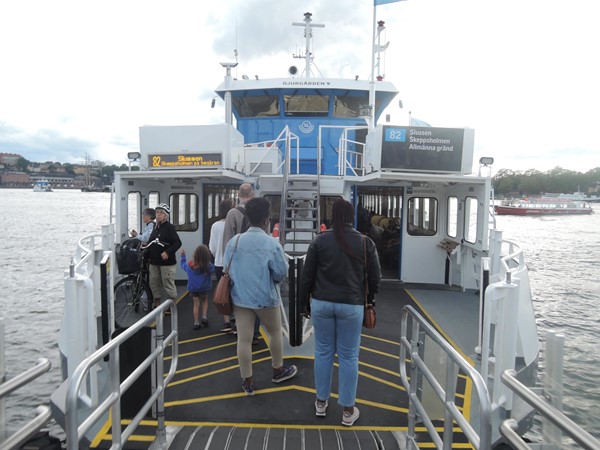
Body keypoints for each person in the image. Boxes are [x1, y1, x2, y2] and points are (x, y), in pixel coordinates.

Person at [299, 198, 381, 427]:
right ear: (351, 216)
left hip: (322, 303)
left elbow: (307, 277)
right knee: (348, 355)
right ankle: (347, 410)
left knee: (323, 352)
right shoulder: (365, 242)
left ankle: (320, 403)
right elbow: (375, 277)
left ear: (333, 217)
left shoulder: (319, 241)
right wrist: (370, 300)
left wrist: (304, 304)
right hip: (351, 305)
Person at [223, 197, 297, 396]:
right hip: (266, 298)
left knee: (244, 340)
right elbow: (281, 272)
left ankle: (247, 382)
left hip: (239, 298)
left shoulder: (234, 241)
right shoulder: (271, 244)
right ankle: (278, 370)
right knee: (274, 333)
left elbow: (226, 267)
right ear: (266, 220)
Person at [221, 183, 261, 344]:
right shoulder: (259, 211)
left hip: (238, 263)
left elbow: (227, 242)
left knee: (238, 297)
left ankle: (240, 329)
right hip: (256, 262)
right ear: (253, 195)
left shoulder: (232, 213)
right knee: (256, 296)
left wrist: (227, 268)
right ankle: (255, 333)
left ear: (238, 195)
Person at [146, 203, 182, 309]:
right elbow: (151, 241)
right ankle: (157, 306)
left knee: (168, 284)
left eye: (161, 213)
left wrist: (167, 252)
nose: (158, 215)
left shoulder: (169, 228)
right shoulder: (155, 227)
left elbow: (177, 243)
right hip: (154, 262)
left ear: (166, 216)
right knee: (154, 284)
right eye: (157, 212)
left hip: (167, 263)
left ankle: (172, 307)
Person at [208, 198, 235, 332]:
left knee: (223, 293)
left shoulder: (215, 226)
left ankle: (227, 322)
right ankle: (236, 320)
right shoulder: (233, 224)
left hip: (219, 263)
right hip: (234, 264)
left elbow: (212, 248)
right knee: (235, 292)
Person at [180, 245, 215, 330]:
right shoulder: (208, 266)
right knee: (205, 300)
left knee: (196, 304)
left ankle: (196, 322)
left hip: (193, 289)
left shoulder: (189, 266)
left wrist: (183, 256)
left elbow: (182, 265)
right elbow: (215, 269)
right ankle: (204, 317)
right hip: (203, 288)